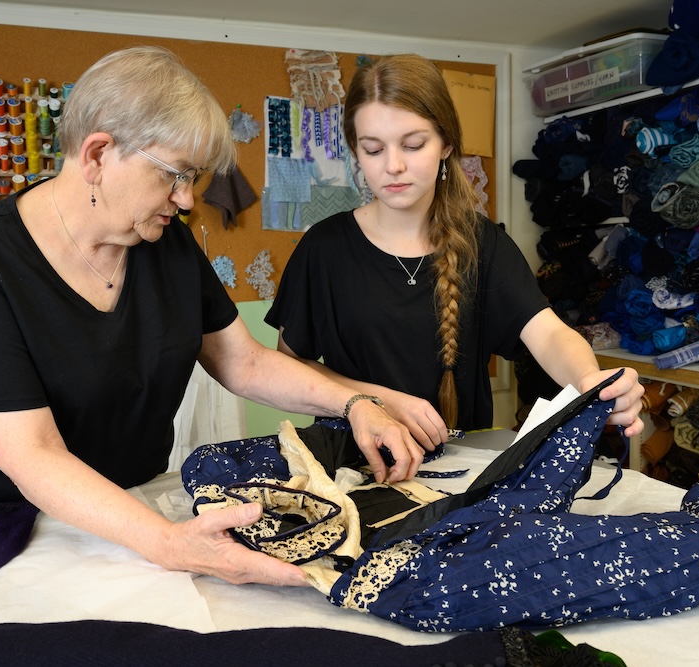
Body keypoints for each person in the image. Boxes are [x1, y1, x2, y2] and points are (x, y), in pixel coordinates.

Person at [0, 46, 427, 587]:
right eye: (174, 176)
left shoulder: (166, 244)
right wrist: (167, 543)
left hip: (129, 509)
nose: (185, 199)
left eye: (193, 179)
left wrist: (358, 401)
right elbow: (32, 454)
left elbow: (244, 364)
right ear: (98, 154)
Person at [266, 53, 645, 449]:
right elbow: (291, 367)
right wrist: (376, 403)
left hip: (458, 472)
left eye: (413, 145)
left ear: (445, 143)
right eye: (374, 150)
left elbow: (549, 334)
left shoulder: (483, 244)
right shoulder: (323, 250)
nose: (393, 166)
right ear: (355, 151)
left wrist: (589, 380)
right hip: (351, 466)